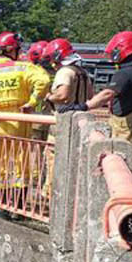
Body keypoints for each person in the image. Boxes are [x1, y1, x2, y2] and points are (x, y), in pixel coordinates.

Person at [0, 31, 50, 216]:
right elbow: (44, 81)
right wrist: (31, 102)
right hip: (19, 124)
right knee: (20, 166)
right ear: (12, 50)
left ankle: (2, 208)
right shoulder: (23, 68)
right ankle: (19, 209)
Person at [60, 31, 132, 144]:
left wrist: (83, 106)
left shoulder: (125, 73)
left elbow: (107, 94)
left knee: (121, 154)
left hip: (126, 127)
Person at [41, 39, 93, 197]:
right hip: (80, 121)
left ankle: (50, 199)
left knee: (53, 162)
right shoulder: (83, 73)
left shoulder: (64, 72)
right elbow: (90, 97)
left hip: (62, 123)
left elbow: (62, 95)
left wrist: (49, 96)